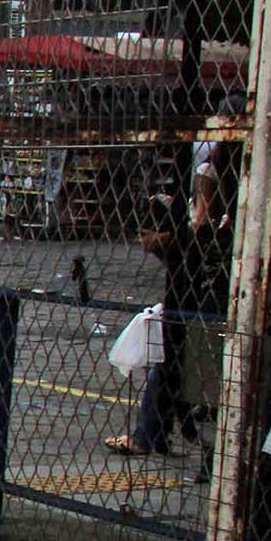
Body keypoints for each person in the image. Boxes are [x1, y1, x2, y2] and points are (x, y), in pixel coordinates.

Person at [106, 194, 225, 458]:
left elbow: (192, 250)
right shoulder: (208, 232)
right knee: (171, 365)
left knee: (172, 366)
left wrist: (166, 240)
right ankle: (157, 433)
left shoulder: (215, 230)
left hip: (205, 311)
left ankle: (152, 435)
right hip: (192, 309)